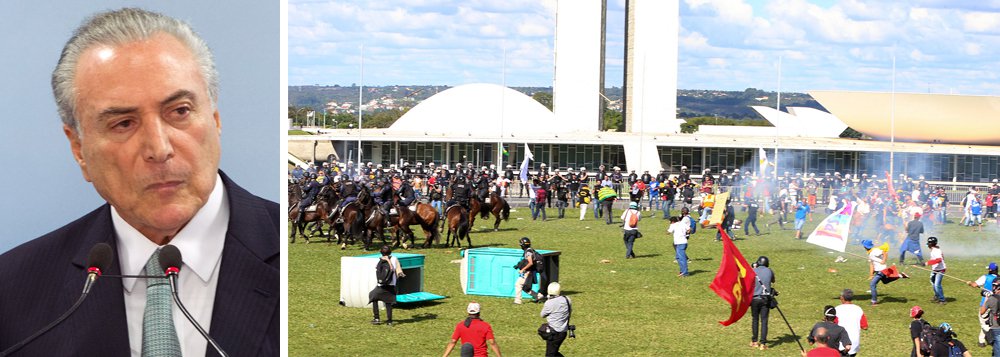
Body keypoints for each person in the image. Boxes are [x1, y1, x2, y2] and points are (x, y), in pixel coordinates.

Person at [0, 8, 279, 356]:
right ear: (79, 149)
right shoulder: (12, 291)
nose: (159, 149)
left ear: (215, 119)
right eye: (123, 124)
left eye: (179, 111)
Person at [370, 245, 403, 326]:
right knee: (388, 303)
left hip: (381, 285)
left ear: (381, 252)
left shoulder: (380, 260)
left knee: (373, 297)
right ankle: (389, 321)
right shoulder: (394, 258)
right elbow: (398, 268)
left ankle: (377, 318)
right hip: (391, 285)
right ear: (390, 252)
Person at [968, 262, 998, 347]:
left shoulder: (985, 277)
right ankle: (981, 341)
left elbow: (974, 284)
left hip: (986, 303)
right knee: (987, 322)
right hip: (997, 303)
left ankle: (993, 339)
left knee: (983, 322)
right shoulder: (998, 278)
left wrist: (969, 283)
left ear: (990, 270)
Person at [539, 282, 572, 357]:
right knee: (554, 352)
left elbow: (542, 315)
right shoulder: (567, 299)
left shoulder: (549, 303)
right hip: (563, 331)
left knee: (550, 354)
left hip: (553, 333)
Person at [750, 256, 775, 350]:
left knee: (755, 319)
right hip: (765, 299)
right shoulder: (769, 271)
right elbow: (773, 280)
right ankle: (763, 343)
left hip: (754, 299)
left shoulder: (753, 271)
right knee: (764, 321)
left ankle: (754, 341)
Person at [835, 289, 869, 356]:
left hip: (841, 343)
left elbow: (832, 324)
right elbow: (865, 327)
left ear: (842, 297)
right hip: (854, 344)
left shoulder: (837, 309)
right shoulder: (858, 309)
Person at [513, 237, 545, 304]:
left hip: (528, 272)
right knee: (525, 288)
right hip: (530, 272)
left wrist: (522, 269)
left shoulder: (528, 252)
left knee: (518, 284)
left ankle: (518, 301)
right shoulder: (529, 250)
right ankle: (539, 296)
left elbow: (530, 263)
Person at [980, 280, 1000, 356]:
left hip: (996, 326)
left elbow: (982, 312)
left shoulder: (992, 299)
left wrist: (986, 298)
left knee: (997, 347)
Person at [924, 237, 947, 304]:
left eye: (928, 244)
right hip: (935, 269)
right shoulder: (934, 249)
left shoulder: (936, 251)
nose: (928, 246)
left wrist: (927, 263)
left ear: (931, 244)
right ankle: (937, 296)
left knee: (937, 285)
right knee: (933, 282)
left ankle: (942, 300)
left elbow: (939, 260)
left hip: (940, 270)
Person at [865, 239, 888, 305]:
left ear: (865, 247)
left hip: (882, 270)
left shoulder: (875, 251)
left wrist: (884, 260)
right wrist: (871, 274)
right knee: (885, 281)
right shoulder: (869, 254)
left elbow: (884, 252)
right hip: (878, 270)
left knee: (872, 284)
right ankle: (899, 275)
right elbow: (871, 265)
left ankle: (874, 301)